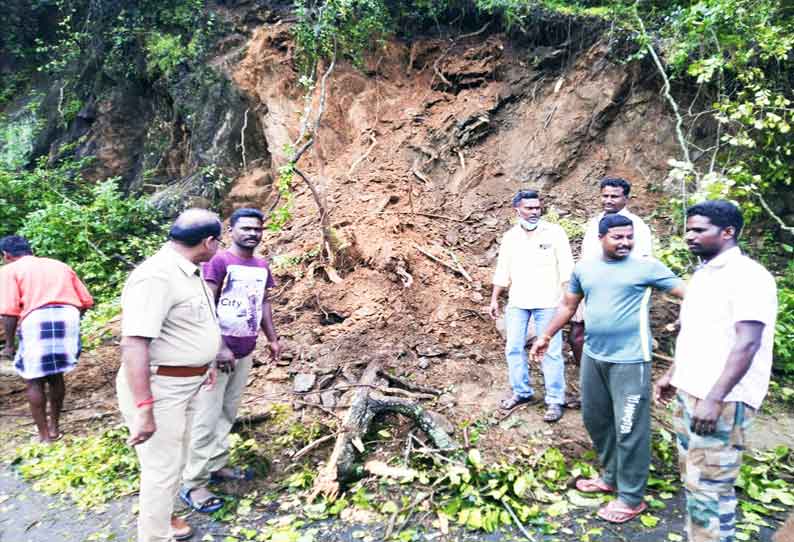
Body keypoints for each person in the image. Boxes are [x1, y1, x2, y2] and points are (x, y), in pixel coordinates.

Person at [530, 214, 685, 523]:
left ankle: (631, 498)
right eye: (618, 237)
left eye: (629, 237)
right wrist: (545, 336)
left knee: (629, 426)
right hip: (594, 356)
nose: (625, 242)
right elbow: (567, 306)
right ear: (601, 238)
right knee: (596, 419)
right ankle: (611, 477)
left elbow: (690, 294)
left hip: (631, 360)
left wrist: (688, 319)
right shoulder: (585, 269)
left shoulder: (647, 267)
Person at [654, 200, 777, 542]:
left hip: (722, 401)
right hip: (691, 391)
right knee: (696, 481)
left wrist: (715, 397)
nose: (689, 236)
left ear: (728, 232)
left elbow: (747, 344)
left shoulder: (749, 278)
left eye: (698, 230)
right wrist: (672, 375)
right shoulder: (703, 275)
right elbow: (697, 333)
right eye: (688, 229)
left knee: (710, 487)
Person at [117, 209, 223, 542]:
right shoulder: (157, 276)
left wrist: (203, 366)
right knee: (161, 469)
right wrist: (145, 406)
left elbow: (184, 330)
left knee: (175, 460)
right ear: (208, 242)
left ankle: (166, 517)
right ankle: (154, 536)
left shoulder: (190, 271)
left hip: (187, 382)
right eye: (219, 239)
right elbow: (134, 344)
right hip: (161, 388)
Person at [181, 208, 281, 511]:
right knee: (206, 416)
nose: (252, 233)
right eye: (246, 228)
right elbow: (206, 303)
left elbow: (262, 303)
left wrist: (273, 338)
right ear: (231, 229)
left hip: (245, 350)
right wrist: (219, 346)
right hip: (217, 355)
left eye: (258, 229)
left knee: (227, 412)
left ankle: (217, 464)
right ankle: (194, 483)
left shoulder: (261, 264)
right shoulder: (219, 261)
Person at [489, 190, 575, 422]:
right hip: (518, 302)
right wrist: (495, 297)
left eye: (538, 208)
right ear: (517, 209)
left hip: (549, 303)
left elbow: (567, 268)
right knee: (513, 348)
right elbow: (503, 269)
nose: (535, 212)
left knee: (552, 352)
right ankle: (522, 392)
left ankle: (555, 400)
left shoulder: (555, 233)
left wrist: (569, 299)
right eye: (529, 208)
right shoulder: (510, 237)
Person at [0, 235, 94, 443]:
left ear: (7, 256)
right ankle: (54, 429)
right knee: (55, 375)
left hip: (36, 318)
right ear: (30, 249)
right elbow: (86, 301)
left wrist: (9, 346)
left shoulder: (9, 271)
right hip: (68, 314)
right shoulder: (58, 265)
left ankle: (44, 437)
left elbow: (8, 311)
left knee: (34, 379)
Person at [569, 177, 653, 364]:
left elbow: (644, 263)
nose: (608, 200)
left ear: (626, 199)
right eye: (605, 195)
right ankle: (588, 381)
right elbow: (585, 257)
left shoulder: (636, 226)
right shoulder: (595, 223)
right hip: (589, 288)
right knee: (577, 334)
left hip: (620, 292)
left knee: (617, 339)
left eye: (614, 196)